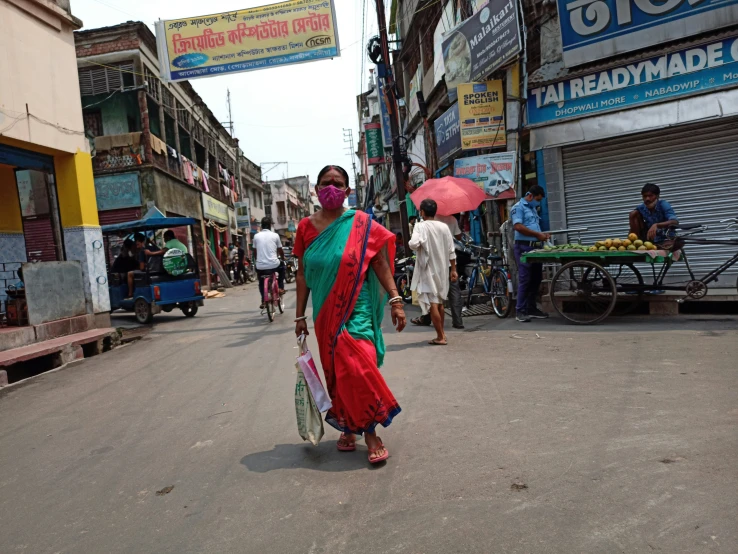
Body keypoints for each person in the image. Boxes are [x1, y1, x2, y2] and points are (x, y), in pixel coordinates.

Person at [294, 165, 405, 465]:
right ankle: (347, 424)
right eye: (326, 183)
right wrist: (299, 316)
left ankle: (369, 432)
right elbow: (302, 275)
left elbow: (380, 263)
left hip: (358, 311)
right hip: (325, 314)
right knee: (338, 373)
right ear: (316, 190)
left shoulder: (361, 223)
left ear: (347, 190)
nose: (332, 187)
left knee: (357, 366)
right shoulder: (305, 227)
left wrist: (395, 299)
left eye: (338, 183)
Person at [408, 199, 458, 346]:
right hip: (443, 269)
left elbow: (413, 244)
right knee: (439, 302)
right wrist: (453, 270)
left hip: (428, 269)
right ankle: (441, 333)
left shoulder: (420, 226)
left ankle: (440, 336)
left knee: (434, 304)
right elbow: (451, 250)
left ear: (422, 212)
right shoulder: (443, 227)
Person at [511, 185, 550, 323]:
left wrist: (542, 234)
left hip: (535, 248)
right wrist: (536, 234)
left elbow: (534, 226)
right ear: (530, 196)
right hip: (523, 247)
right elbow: (518, 226)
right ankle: (520, 310)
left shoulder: (532, 208)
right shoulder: (518, 207)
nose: (538, 202)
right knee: (525, 279)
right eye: (537, 199)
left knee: (536, 278)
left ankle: (531, 308)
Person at [253, 216, 285, 309]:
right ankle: (280, 287)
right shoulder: (275, 235)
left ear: (262, 226)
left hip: (260, 266)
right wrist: (283, 258)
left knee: (261, 281)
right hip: (274, 265)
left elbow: (255, 252)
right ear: (270, 226)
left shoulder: (256, 236)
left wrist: (257, 260)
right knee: (282, 267)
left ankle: (263, 299)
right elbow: (280, 250)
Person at [126, 233, 157, 299]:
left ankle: (130, 294)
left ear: (142, 242)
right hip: (155, 270)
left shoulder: (142, 251)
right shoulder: (153, 248)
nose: (137, 246)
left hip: (148, 272)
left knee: (129, 274)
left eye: (138, 244)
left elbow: (142, 268)